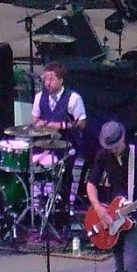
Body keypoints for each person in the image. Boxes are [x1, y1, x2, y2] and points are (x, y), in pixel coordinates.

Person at [86, 121, 137, 272]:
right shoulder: (103, 156)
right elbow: (91, 183)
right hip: (113, 215)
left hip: (136, 211)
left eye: (115, 146)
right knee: (119, 264)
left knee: (130, 261)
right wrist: (98, 207)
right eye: (109, 147)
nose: (113, 150)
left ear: (122, 138)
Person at [31, 62, 87, 213]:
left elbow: (81, 122)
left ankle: (64, 207)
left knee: (65, 172)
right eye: (45, 79)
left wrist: (61, 126)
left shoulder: (73, 98)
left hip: (65, 143)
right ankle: (39, 202)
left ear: (61, 80)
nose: (47, 83)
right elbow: (34, 119)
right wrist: (40, 123)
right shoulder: (39, 97)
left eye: (51, 79)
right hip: (43, 143)